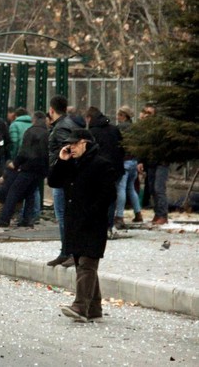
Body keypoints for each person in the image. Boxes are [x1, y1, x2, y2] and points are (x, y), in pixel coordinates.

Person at [48, 129, 118, 323]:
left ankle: (80, 306)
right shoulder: (72, 163)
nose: (70, 147)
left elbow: (109, 195)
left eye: (74, 144)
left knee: (87, 263)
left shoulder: (101, 164)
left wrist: (92, 212)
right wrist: (61, 161)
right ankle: (94, 308)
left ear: (85, 143)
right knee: (82, 262)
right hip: (75, 222)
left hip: (93, 222)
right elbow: (54, 181)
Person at [0, 111, 49, 227]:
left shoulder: (30, 132)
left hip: (28, 167)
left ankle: (4, 219)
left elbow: (24, 151)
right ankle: (28, 219)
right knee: (30, 193)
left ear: (34, 120)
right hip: (40, 170)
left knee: (14, 192)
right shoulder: (47, 133)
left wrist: (16, 163)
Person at [46, 95, 81, 267]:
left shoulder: (60, 128)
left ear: (51, 110)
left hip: (62, 178)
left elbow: (66, 153)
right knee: (64, 215)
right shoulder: (69, 124)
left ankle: (69, 252)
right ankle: (65, 251)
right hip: (64, 177)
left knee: (63, 216)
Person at [85, 106, 125, 231]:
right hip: (115, 169)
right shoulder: (114, 129)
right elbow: (122, 148)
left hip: (98, 170)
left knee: (96, 197)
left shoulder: (91, 133)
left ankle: (98, 225)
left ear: (89, 118)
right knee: (111, 197)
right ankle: (109, 225)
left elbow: (89, 153)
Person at [137, 104, 169, 225]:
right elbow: (142, 146)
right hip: (150, 162)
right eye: (144, 112)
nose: (146, 115)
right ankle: (157, 213)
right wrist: (141, 161)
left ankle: (163, 215)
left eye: (149, 113)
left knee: (159, 188)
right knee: (152, 189)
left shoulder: (160, 129)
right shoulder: (144, 129)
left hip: (161, 161)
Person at [115, 106, 143, 225]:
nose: (117, 117)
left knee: (121, 188)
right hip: (134, 161)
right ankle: (138, 213)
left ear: (123, 116)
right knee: (131, 188)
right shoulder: (136, 128)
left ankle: (119, 216)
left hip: (124, 161)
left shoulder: (119, 128)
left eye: (119, 115)